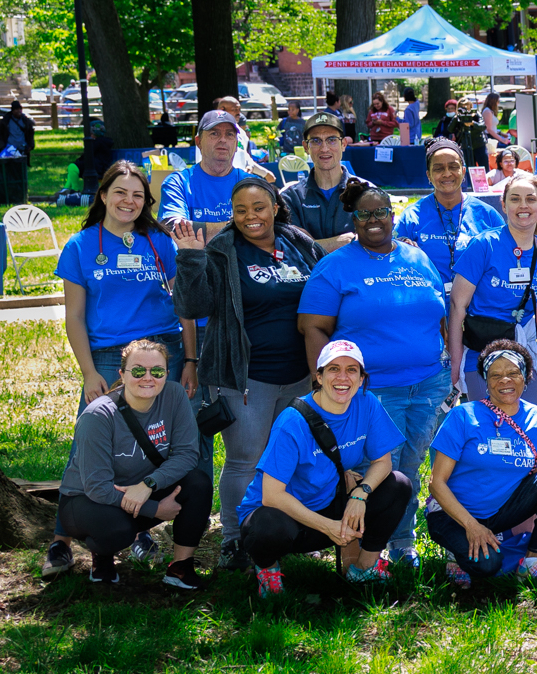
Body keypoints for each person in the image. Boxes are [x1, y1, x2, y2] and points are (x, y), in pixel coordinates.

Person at [170, 176, 325, 567]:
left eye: (258, 208)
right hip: (244, 378)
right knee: (245, 458)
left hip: (300, 377)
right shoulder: (222, 249)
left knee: (289, 458)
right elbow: (193, 306)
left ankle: (283, 530)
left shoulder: (298, 243)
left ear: (275, 207)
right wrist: (191, 256)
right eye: (240, 210)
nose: (250, 217)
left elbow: (328, 279)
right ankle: (235, 539)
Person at [297, 179, 453, 566]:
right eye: (363, 213)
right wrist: (328, 386)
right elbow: (312, 326)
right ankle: (365, 551)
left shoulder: (417, 258)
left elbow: (439, 313)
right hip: (373, 391)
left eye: (380, 211)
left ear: (392, 215)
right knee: (372, 474)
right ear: (353, 217)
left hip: (428, 384)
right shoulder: (334, 266)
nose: (373, 219)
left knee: (411, 469)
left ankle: (403, 544)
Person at [241, 340, 412, 598]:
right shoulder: (292, 421)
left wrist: (360, 494)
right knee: (269, 526)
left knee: (398, 484)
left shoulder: (366, 403)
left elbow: (383, 462)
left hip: (329, 504)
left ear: (362, 378)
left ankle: (364, 567)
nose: (343, 378)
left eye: (352, 370)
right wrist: (328, 527)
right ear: (318, 376)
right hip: (283, 515)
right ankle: (267, 568)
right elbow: (271, 496)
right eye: (333, 369)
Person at [57, 339, 211, 587]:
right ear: (122, 374)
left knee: (198, 484)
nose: (147, 378)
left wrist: (149, 484)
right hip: (85, 500)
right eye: (138, 370)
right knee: (118, 530)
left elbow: (186, 454)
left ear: (166, 374)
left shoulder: (173, 395)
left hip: (140, 489)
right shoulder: (98, 416)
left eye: (157, 371)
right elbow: (97, 487)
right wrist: (155, 509)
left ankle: (180, 568)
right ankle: (103, 556)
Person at [421, 341, 537, 591]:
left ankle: (533, 561)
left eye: (513, 373)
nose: (505, 380)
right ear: (486, 381)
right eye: (496, 375)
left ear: (526, 378)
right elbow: (436, 484)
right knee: (488, 566)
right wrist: (472, 526)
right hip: (454, 515)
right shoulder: (463, 416)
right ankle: (454, 554)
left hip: (502, 513)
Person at [59, 162, 186, 405]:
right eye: (120, 192)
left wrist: (190, 360)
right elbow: (74, 316)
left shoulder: (159, 240)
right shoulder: (78, 246)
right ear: (104, 196)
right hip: (109, 355)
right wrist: (89, 373)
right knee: (98, 436)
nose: (129, 201)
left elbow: (183, 304)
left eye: (137, 195)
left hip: (164, 350)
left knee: (167, 436)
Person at [447, 174, 537, 403]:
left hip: (524, 357)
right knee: (482, 431)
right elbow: (457, 305)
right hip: (480, 355)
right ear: (503, 205)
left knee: (521, 429)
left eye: (531, 199)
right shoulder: (483, 245)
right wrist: (456, 362)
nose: (523, 206)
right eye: (515, 199)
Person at [396, 139, 506, 286]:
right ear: (429, 175)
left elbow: (505, 260)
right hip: (432, 304)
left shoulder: (487, 215)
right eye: (439, 169)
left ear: (464, 171)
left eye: (453, 166)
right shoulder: (411, 217)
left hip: (477, 306)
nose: (447, 174)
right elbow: (395, 263)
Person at [276, 115, 366, 253]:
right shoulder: (291, 198)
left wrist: (312, 245)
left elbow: (374, 243)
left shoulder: (366, 192)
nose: (324, 148)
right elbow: (291, 249)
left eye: (332, 140)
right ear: (306, 147)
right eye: (316, 141)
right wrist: (344, 242)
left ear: (343, 144)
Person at [159, 110, 253, 227]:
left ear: (236, 144)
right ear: (199, 142)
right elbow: (174, 230)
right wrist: (241, 228)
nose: (223, 140)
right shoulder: (179, 183)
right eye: (214, 133)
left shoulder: (252, 184)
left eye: (229, 134)